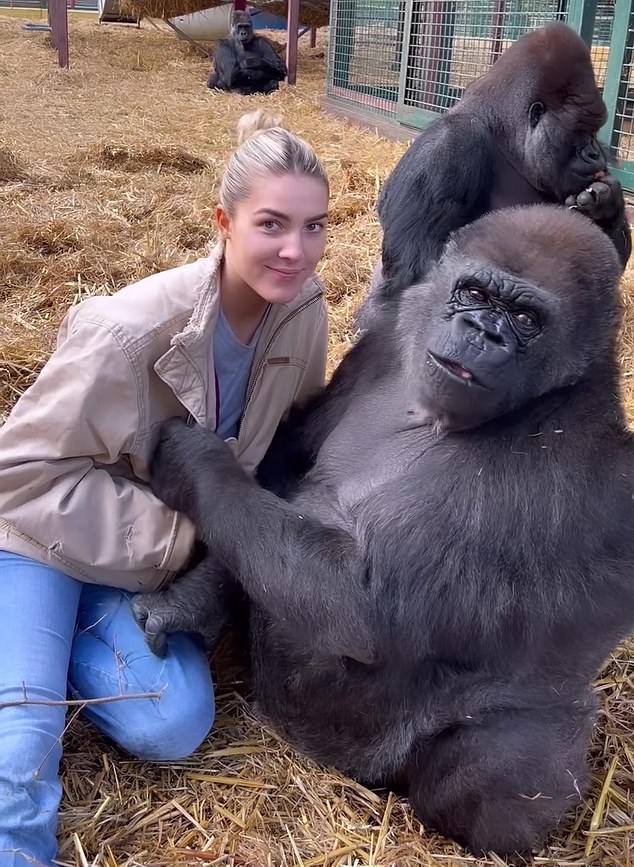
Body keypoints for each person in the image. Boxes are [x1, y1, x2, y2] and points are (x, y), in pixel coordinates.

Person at [0, 109, 330, 866]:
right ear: (223, 221)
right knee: (21, 743)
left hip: (129, 564)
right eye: (272, 224)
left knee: (173, 722)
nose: (295, 250)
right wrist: (191, 540)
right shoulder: (127, 331)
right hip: (38, 540)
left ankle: (54, 644)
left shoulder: (301, 312)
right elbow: (18, 474)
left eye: (314, 227)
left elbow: (295, 441)